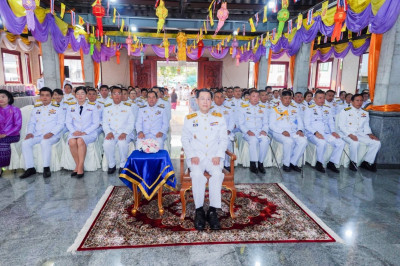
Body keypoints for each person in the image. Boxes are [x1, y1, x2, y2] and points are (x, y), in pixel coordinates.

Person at [181, 89, 228, 231]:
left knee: (218, 175)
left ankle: (213, 210)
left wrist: (219, 155)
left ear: (212, 101)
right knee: (196, 175)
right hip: (197, 157)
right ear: (196, 101)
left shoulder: (219, 118)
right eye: (202, 99)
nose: (205, 102)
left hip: (213, 157)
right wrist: (191, 154)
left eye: (208, 99)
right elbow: (185, 139)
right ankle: (199, 210)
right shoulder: (190, 118)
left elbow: (223, 139)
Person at [20, 88, 65, 178]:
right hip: (38, 134)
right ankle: (30, 168)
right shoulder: (36, 109)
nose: (45, 97)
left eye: (47, 95)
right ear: (39, 97)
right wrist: (29, 133)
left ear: (51, 97)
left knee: (45, 142)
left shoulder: (58, 108)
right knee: (25, 143)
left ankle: (46, 167)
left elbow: (61, 124)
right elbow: (31, 123)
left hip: (53, 135)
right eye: (42, 95)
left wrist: (51, 133)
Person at [304, 90, 345, 173]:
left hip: (326, 133)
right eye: (319, 98)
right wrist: (316, 133)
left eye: (323, 98)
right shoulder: (309, 109)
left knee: (340, 143)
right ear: (314, 99)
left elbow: (331, 122)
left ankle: (332, 162)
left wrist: (333, 131)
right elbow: (306, 125)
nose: (322, 100)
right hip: (312, 133)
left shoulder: (327, 108)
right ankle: (319, 163)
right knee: (322, 143)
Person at [338, 94, 381, 172]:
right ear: (352, 101)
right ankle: (353, 162)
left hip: (360, 134)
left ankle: (366, 162)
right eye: (357, 100)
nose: (359, 102)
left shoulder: (364, 112)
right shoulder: (345, 111)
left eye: (361, 100)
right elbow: (341, 126)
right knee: (355, 143)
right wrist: (350, 135)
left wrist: (370, 134)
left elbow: (366, 125)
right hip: (346, 134)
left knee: (377, 143)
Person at [65, 87, 100, 178]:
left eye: (82, 93)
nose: (80, 96)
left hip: (89, 132)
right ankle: (78, 165)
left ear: (86, 95)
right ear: (75, 95)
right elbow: (68, 122)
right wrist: (74, 131)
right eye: (78, 94)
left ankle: (80, 167)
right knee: (72, 142)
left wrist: (85, 132)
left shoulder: (92, 107)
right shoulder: (71, 107)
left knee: (80, 141)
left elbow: (96, 123)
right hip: (75, 132)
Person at [269, 90, 307, 172]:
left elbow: (300, 121)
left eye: (289, 98)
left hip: (293, 132)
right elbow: (271, 125)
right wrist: (282, 131)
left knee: (303, 141)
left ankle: (293, 162)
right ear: (281, 99)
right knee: (289, 141)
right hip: (279, 132)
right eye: (285, 98)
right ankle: (286, 164)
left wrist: (300, 130)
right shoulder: (275, 109)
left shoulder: (295, 109)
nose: (288, 100)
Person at [103, 87, 135, 174]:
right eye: (114, 93)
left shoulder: (128, 107)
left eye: (119, 93)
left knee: (122, 143)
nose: (117, 95)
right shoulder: (107, 108)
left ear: (121, 95)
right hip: (112, 133)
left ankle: (122, 165)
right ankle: (111, 165)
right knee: (107, 143)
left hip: (125, 133)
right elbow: (104, 123)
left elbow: (131, 123)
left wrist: (125, 133)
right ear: (111, 95)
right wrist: (108, 132)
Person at [238, 90, 270, 174]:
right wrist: (247, 131)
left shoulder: (263, 108)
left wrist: (264, 130)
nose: (255, 98)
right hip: (248, 132)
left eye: (257, 96)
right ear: (249, 97)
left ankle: (260, 163)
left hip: (260, 131)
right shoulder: (243, 108)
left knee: (265, 140)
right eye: (253, 96)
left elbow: (266, 123)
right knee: (253, 140)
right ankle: (253, 163)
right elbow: (241, 124)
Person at [212, 90, 235, 171]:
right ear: (213, 99)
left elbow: (232, 122)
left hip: (225, 133)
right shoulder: (209, 109)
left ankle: (227, 164)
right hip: (213, 133)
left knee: (227, 143)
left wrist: (228, 130)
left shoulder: (228, 109)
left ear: (224, 98)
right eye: (217, 97)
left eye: (221, 97)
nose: (219, 99)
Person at [0, 90, 22, 176]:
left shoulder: (15, 110)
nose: (0, 99)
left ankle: (3, 167)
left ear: (9, 98)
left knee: (2, 142)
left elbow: (18, 126)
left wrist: (5, 134)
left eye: (3, 97)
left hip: (13, 135)